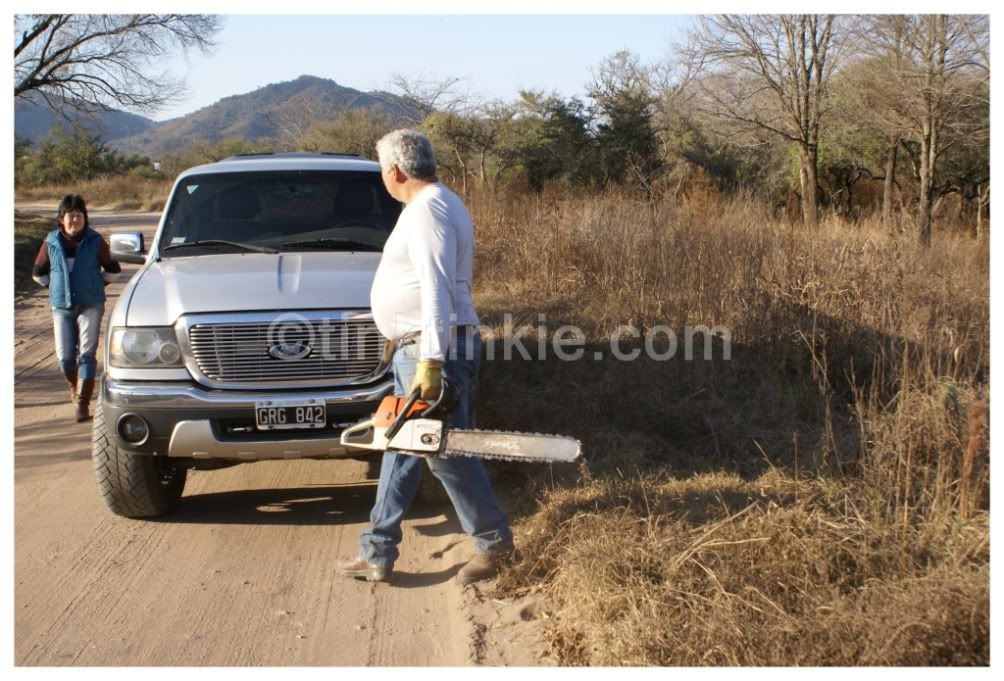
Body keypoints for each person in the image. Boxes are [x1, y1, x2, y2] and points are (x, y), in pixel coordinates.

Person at [337, 130, 514, 586]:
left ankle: (496, 544)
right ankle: (377, 550)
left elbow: (437, 289)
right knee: (401, 444)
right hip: (422, 346)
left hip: (435, 349)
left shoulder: (427, 210)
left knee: (445, 453)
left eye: (382, 173)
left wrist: (431, 362)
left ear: (395, 171)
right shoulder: (434, 204)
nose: (384, 180)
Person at [33, 195, 121, 422]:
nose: (75, 220)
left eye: (79, 215)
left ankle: (82, 402)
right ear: (61, 219)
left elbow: (113, 269)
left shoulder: (95, 240)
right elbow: (38, 273)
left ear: (85, 218)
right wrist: (55, 289)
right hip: (61, 306)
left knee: (87, 353)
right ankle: (75, 387)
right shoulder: (51, 241)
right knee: (64, 358)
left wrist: (95, 285)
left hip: (90, 304)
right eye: (70, 216)